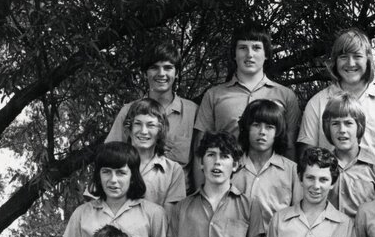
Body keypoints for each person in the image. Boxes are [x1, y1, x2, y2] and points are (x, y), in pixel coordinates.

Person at [60, 142, 168, 237]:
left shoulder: (154, 213)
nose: (113, 180)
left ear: (132, 176)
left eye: (121, 173)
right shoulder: (82, 214)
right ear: (98, 174)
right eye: (106, 172)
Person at [193, 23, 300, 174]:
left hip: (272, 184)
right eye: (243, 48)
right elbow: (200, 148)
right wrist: (201, 193)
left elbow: (289, 147)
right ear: (234, 54)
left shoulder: (286, 96)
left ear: (266, 54)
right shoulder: (214, 95)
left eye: (256, 48)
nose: (249, 54)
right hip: (224, 181)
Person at [298, 28, 375, 164]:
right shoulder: (317, 103)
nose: (350, 63)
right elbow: (307, 158)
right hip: (331, 184)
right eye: (343, 57)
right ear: (335, 62)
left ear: (368, 60)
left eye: (357, 56)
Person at [106, 42, 196, 169]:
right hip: (137, 186)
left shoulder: (192, 112)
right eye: (154, 67)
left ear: (176, 73)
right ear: (145, 73)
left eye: (168, 67)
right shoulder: (128, 111)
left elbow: (202, 161)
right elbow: (109, 157)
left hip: (180, 188)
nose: (161, 73)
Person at [232, 99, 301, 225]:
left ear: (278, 132)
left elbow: (299, 219)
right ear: (246, 128)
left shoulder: (292, 171)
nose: (262, 132)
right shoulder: (232, 167)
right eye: (256, 125)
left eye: (269, 127)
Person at [322, 93, 375, 217]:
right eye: (335, 123)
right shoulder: (321, 166)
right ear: (327, 128)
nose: (342, 130)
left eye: (348, 123)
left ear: (359, 126)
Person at [119, 98, 186, 207]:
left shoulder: (173, 171)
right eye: (137, 124)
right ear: (129, 130)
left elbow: (169, 217)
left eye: (151, 125)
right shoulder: (112, 162)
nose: (143, 131)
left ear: (160, 131)